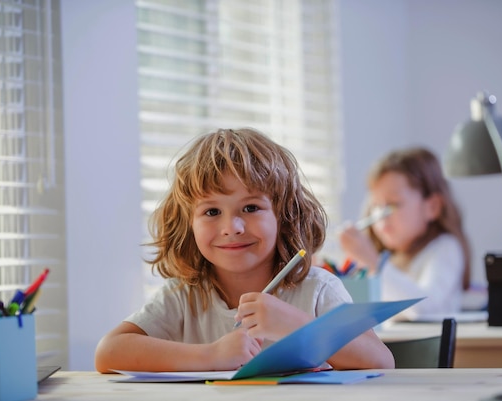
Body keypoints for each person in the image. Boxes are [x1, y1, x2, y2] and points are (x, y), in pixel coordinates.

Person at [95, 128, 394, 373]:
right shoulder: (182, 296)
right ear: (189, 224)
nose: (232, 227)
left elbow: (380, 361)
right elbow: (109, 353)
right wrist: (211, 357)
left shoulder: (317, 289)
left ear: (285, 215)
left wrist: (298, 328)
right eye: (212, 212)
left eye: (251, 208)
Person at [338, 147, 470, 321]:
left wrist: (374, 263)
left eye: (394, 204)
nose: (380, 216)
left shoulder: (445, 248)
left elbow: (424, 309)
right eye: (376, 205)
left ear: (432, 207)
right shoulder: (387, 257)